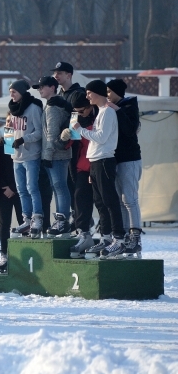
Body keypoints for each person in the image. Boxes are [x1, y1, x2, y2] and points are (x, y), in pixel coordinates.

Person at [72, 80, 126, 259]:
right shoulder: (101, 112)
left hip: (104, 160)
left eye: (89, 93)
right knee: (100, 203)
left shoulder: (108, 112)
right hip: (95, 161)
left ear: (98, 93)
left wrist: (80, 130)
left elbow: (101, 138)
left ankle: (119, 239)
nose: (87, 96)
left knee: (110, 200)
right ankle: (106, 237)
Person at [106, 79, 143, 257]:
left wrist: (118, 111)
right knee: (120, 200)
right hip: (116, 159)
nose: (107, 95)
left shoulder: (128, 106)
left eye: (109, 92)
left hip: (130, 159)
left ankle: (135, 237)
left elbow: (130, 129)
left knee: (130, 199)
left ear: (117, 92)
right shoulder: (110, 108)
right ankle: (126, 236)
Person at [33, 76, 73, 237]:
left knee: (60, 186)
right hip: (57, 153)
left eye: (42, 87)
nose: (39, 90)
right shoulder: (51, 105)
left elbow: (52, 134)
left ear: (52, 87)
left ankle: (62, 219)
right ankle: (61, 218)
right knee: (58, 187)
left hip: (57, 154)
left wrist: (47, 156)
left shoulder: (53, 107)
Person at [8, 79, 44, 237]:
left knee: (31, 187)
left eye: (14, 92)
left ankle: (37, 217)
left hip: (31, 155)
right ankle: (26, 219)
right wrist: (8, 145)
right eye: (10, 92)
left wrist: (24, 139)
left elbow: (39, 131)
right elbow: (9, 130)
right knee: (21, 190)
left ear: (22, 92)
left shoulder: (34, 108)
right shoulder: (12, 109)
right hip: (16, 157)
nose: (12, 95)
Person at [53, 61, 85, 229]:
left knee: (75, 183)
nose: (56, 75)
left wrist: (68, 135)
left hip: (75, 146)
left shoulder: (78, 94)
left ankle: (80, 218)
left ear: (69, 75)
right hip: (61, 147)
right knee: (63, 184)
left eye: (60, 72)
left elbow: (77, 118)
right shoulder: (58, 95)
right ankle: (74, 216)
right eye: (55, 72)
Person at [64, 95, 97, 258]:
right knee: (79, 198)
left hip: (97, 165)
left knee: (103, 202)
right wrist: (66, 137)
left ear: (90, 107)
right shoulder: (77, 120)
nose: (79, 114)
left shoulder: (98, 117)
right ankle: (84, 233)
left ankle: (111, 236)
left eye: (81, 111)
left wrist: (79, 130)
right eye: (76, 112)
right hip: (81, 167)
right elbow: (71, 142)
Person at [0, 113, 24, 273]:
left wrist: (13, 187)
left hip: (19, 189)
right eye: (7, 122)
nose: (9, 125)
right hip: (3, 190)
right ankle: (4, 254)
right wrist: (4, 186)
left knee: (23, 221)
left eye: (12, 122)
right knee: (4, 224)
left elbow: (23, 168)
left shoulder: (22, 142)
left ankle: (24, 254)